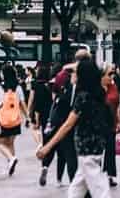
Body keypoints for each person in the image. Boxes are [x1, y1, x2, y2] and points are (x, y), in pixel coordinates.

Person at [36, 57, 112, 198]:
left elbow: (68, 125)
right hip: (94, 145)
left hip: (86, 147)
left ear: (83, 76)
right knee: (76, 188)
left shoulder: (83, 97)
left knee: (99, 189)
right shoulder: (97, 93)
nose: (72, 75)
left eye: (75, 73)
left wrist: (47, 147)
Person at [101, 63, 120, 189]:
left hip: (111, 122)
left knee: (110, 150)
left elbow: (117, 105)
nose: (111, 76)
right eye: (109, 74)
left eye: (112, 73)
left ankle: (109, 175)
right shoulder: (97, 88)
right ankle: (97, 175)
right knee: (98, 151)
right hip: (99, 123)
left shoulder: (113, 86)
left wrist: (119, 121)